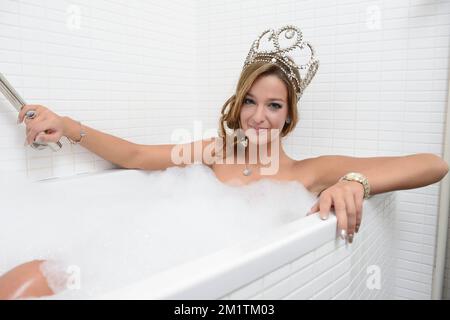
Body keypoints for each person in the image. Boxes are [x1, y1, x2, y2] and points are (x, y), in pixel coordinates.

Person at [1, 25, 448, 299]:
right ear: (238, 102)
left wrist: (355, 181)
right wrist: (67, 123)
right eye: (250, 100)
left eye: (274, 106)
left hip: (176, 280)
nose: (257, 115)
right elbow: (137, 156)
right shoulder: (214, 152)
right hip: (136, 262)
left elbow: (433, 164)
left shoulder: (306, 172)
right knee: (22, 276)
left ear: (290, 114)